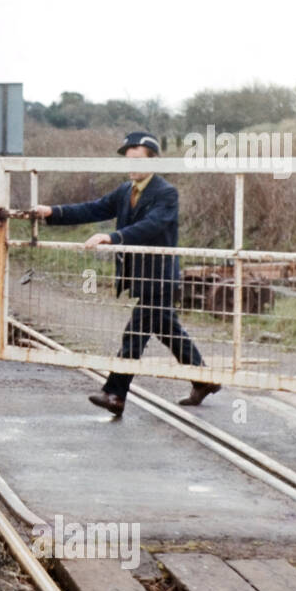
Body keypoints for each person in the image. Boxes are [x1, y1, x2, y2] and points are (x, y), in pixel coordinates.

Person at [28, 130, 220, 416]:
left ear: (154, 162)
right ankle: (203, 379)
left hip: (160, 278)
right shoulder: (124, 191)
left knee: (135, 333)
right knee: (168, 329)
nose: (132, 166)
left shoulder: (166, 193)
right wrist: (52, 212)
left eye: (139, 161)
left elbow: (152, 225)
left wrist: (113, 237)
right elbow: (93, 208)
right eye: (129, 160)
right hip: (141, 277)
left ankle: (115, 394)